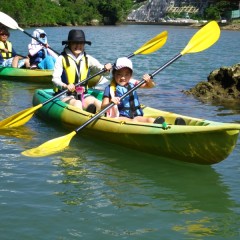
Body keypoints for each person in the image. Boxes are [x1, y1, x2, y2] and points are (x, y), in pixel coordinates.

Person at [52, 29, 112, 113]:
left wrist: (106, 68)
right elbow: (55, 80)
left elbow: (103, 72)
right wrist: (65, 86)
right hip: (65, 95)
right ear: (69, 44)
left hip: (83, 94)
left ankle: (104, 120)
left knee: (97, 103)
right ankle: (83, 119)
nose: (78, 46)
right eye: (75, 43)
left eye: (81, 43)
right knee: (77, 103)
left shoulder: (88, 58)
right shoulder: (61, 59)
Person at [101, 57, 169, 127]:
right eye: (119, 74)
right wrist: (111, 103)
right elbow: (103, 107)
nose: (123, 77)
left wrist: (149, 80)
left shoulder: (133, 83)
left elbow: (150, 86)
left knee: (150, 120)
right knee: (133, 121)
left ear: (131, 75)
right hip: (119, 117)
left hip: (135, 116)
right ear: (114, 74)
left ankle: (166, 126)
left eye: (126, 74)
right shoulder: (110, 88)